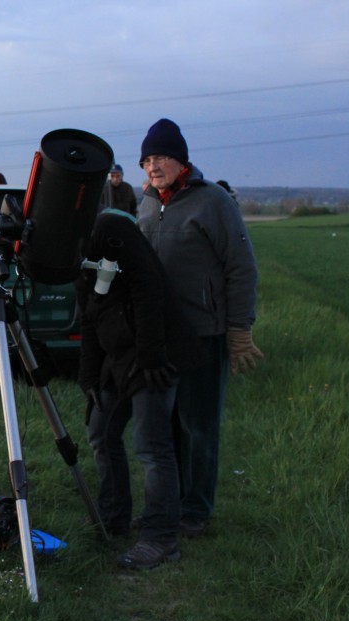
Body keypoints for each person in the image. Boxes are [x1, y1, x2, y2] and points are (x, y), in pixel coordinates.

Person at [137, 118, 263, 538]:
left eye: (162, 157)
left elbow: (241, 267)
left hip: (204, 332)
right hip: (162, 333)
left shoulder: (213, 202)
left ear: (181, 160)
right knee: (165, 426)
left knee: (199, 424)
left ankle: (196, 511)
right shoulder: (148, 204)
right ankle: (170, 502)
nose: (154, 166)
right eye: (148, 159)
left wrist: (239, 329)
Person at [77, 209, 205, 569]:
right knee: (101, 433)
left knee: (151, 445)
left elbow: (149, 288)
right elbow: (88, 316)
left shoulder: (113, 229)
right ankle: (113, 517)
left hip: (155, 357)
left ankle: (160, 537)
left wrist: (150, 358)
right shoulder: (75, 249)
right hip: (117, 358)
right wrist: (88, 377)